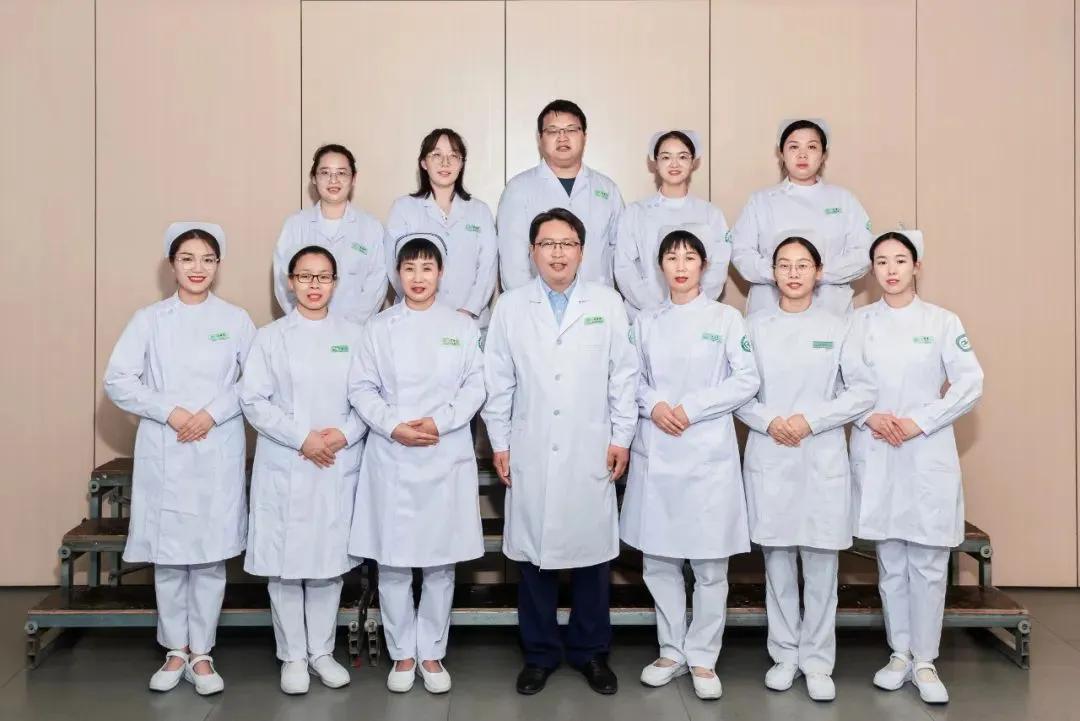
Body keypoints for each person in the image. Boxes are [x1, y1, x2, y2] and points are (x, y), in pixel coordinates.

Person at [483, 207, 637, 696]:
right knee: (533, 560)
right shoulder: (511, 306)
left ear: (581, 251)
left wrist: (622, 437)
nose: (557, 253)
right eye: (547, 244)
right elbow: (498, 380)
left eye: (567, 243)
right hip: (529, 445)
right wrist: (500, 441)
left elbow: (624, 375)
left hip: (591, 446)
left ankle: (591, 652)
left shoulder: (607, 302)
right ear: (532, 251)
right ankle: (540, 654)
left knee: (592, 558)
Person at [104, 222, 255, 696]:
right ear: (172, 264)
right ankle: (175, 650)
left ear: (218, 265)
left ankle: (203, 653)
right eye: (187, 258)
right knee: (169, 558)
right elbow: (118, 380)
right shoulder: (149, 320)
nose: (197, 268)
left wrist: (210, 414)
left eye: (207, 259)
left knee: (209, 557)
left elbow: (254, 381)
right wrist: (170, 412)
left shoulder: (235, 320)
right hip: (166, 446)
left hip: (216, 445)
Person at [735, 236, 876, 702]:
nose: (793, 273)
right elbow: (738, 391)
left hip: (820, 454)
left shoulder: (839, 327)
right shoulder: (753, 326)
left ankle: (817, 661)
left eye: (802, 265)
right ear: (772, 272)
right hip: (770, 452)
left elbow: (862, 391)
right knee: (776, 562)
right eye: (784, 265)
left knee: (820, 566)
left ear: (818, 272)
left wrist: (810, 421)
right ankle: (784, 655)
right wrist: (770, 421)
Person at [620, 230, 759, 700]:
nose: (680, 266)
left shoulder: (726, 318)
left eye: (690, 257)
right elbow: (629, 377)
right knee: (659, 560)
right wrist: (656, 405)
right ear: (660, 266)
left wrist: (693, 407)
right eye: (672, 258)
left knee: (710, 565)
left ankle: (703, 655)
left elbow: (747, 379)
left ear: (704, 265)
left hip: (707, 453)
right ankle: (671, 649)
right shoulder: (645, 321)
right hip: (658, 448)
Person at [348, 233, 485, 695]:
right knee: (393, 561)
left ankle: (432, 652)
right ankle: (402, 652)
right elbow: (361, 388)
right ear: (397, 274)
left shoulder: (461, 326)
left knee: (440, 562)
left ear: (440, 273)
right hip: (392, 454)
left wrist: (440, 421)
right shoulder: (378, 327)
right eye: (409, 268)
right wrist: (394, 426)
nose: (418, 277)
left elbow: (475, 385)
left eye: (427, 268)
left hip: (444, 451)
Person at [852, 230, 983, 705]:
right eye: (882, 261)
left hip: (926, 450)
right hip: (878, 446)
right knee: (890, 559)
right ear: (873, 270)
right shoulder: (858, 322)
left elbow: (970, 382)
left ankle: (925, 660)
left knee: (927, 561)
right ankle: (899, 653)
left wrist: (919, 421)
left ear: (916, 266)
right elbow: (845, 381)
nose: (891, 269)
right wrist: (871, 416)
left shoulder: (942, 321)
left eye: (900, 260)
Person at [240, 246, 367, 695]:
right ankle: (292, 655)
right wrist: (302, 439)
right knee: (286, 566)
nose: (315, 285)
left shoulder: (355, 336)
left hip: (335, 461)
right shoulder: (270, 337)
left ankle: (322, 652)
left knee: (328, 564)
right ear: (290, 282)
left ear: (335, 282)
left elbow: (369, 398)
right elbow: (253, 400)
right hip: (287, 460)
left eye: (323, 276)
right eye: (305, 276)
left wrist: (343, 435)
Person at [731, 119, 871, 316]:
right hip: (770, 311)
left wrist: (816, 273)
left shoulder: (844, 200)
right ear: (781, 154)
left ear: (823, 155)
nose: (802, 154)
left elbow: (864, 253)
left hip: (831, 309)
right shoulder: (761, 201)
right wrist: (780, 273)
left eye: (812, 147)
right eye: (794, 147)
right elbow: (741, 253)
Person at [496, 99, 624, 291]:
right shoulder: (518, 188)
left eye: (571, 130)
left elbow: (621, 254)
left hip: (598, 302)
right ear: (540, 138)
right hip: (537, 304)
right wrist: (528, 304)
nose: (562, 137)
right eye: (553, 131)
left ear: (584, 136)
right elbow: (512, 263)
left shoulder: (607, 189)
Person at [385, 128, 498, 327]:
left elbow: (488, 268)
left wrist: (469, 310)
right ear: (424, 163)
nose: (445, 163)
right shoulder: (404, 208)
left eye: (453, 156)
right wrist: (421, 306)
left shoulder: (479, 211)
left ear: (461, 164)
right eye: (436, 155)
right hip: (416, 321)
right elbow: (394, 266)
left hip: (470, 321)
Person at [615, 130, 731, 318]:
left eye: (683, 157)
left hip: (696, 316)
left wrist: (692, 305)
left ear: (693, 162)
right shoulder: (636, 212)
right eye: (666, 157)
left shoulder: (711, 214)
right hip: (645, 314)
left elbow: (717, 267)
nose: (674, 164)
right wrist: (654, 308)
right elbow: (624, 267)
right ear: (655, 162)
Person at [272, 143, 389, 324]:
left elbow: (376, 285)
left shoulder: (371, 227)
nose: (333, 180)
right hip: (304, 328)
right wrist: (307, 321)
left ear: (354, 178)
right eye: (325, 172)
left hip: (355, 330)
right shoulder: (295, 225)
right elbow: (283, 282)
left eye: (341, 173)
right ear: (313, 178)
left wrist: (348, 328)